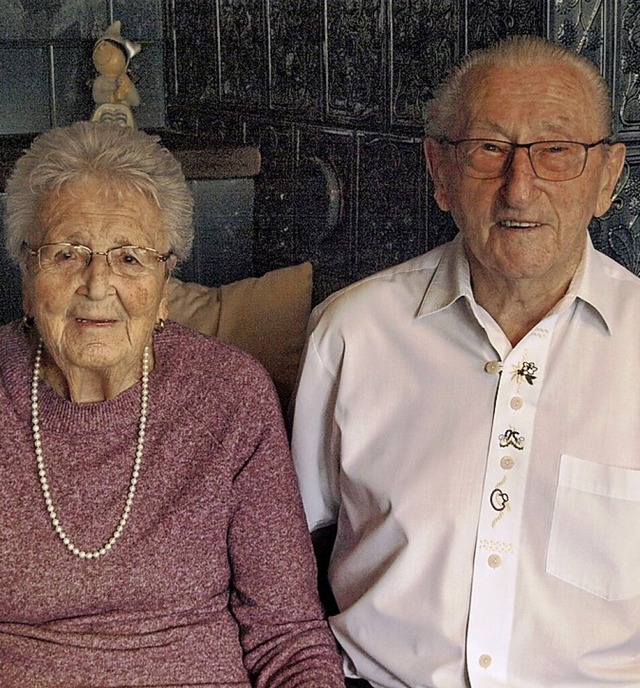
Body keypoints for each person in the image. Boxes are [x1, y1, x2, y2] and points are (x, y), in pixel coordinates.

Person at [291, 35, 634, 687]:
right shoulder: (353, 333)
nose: (520, 187)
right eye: (488, 149)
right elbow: (281, 554)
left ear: (608, 177)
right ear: (440, 172)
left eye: (557, 152)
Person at [0, 121, 345, 687]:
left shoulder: (229, 396)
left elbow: (286, 636)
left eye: (130, 258)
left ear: (165, 289)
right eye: (67, 253)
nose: (96, 283)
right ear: (26, 275)